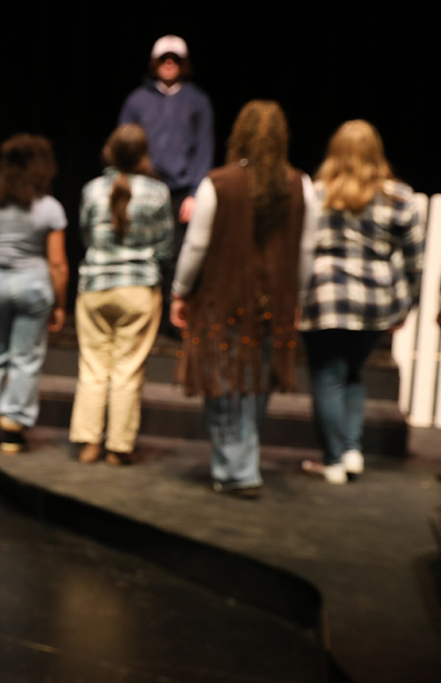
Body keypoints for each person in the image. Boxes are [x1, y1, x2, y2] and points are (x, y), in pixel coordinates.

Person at [170, 100, 316, 497]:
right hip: (275, 302)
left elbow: (196, 246)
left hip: (223, 299)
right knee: (255, 384)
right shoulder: (302, 185)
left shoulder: (218, 183)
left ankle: (237, 470)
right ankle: (239, 463)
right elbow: (306, 250)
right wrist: (297, 296)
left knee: (226, 383)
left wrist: (180, 291)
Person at [299, 120, 423, 484]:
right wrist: (408, 304)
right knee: (352, 372)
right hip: (375, 299)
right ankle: (351, 450)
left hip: (325, 296)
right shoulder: (400, 197)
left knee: (328, 375)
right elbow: (415, 259)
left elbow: (301, 249)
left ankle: (334, 460)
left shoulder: (316, 194)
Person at [70, 124, 173, 465]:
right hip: (138, 289)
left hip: (95, 287)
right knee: (127, 369)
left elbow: (85, 235)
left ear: (109, 152)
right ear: (144, 154)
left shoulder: (91, 189)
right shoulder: (158, 193)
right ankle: (118, 447)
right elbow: (165, 245)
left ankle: (88, 443)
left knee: (94, 367)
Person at [0, 134, 69, 452]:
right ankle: (12, 428)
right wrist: (61, 304)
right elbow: (58, 263)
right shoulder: (49, 208)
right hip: (34, 285)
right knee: (25, 359)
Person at [119, 34, 214, 336]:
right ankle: (140, 316)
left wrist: (197, 193)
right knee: (141, 251)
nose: (169, 64)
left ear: (183, 64)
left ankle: (170, 321)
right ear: (155, 62)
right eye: (164, 58)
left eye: (175, 58)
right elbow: (124, 144)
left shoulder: (197, 101)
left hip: (180, 192)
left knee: (174, 254)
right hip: (143, 188)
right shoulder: (137, 100)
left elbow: (204, 148)